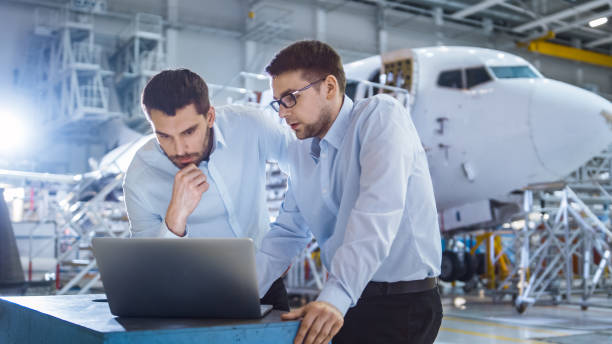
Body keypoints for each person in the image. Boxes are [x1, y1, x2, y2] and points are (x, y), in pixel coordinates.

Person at [256, 40, 443, 344]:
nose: (282, 113)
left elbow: (377, 212)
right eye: (278, 102)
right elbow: (288, 232)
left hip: (401, 304)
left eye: (290, 98)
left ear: (329, 87)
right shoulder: (301, 152)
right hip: (347, 302)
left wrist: (336, 296)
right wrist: (242, 294)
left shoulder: (380, 117)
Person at [123, 69, 294, 311]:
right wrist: (175, 218)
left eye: (188, 132)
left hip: (265, 282)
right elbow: (151, 272)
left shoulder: (249, 126)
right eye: (164, 136)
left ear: (210, 116)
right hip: (190, 294)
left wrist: (285, 240)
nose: (179, 149)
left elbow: (305, 166)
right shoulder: (141, 176)